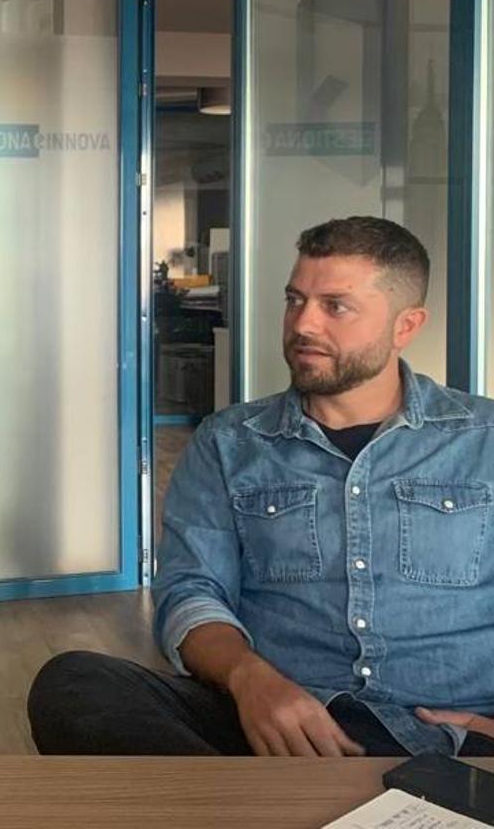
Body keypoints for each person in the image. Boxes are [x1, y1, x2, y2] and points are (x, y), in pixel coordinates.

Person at [28, 216, 494, 758]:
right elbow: (191, 591)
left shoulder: (482, 441)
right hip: (272, 724)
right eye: (295, 300)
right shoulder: (230, 443)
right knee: (75, 684)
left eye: (335, 306)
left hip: (450, 734)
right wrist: (250, 679)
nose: (303, 324)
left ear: (405, 326)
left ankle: (240, 801)